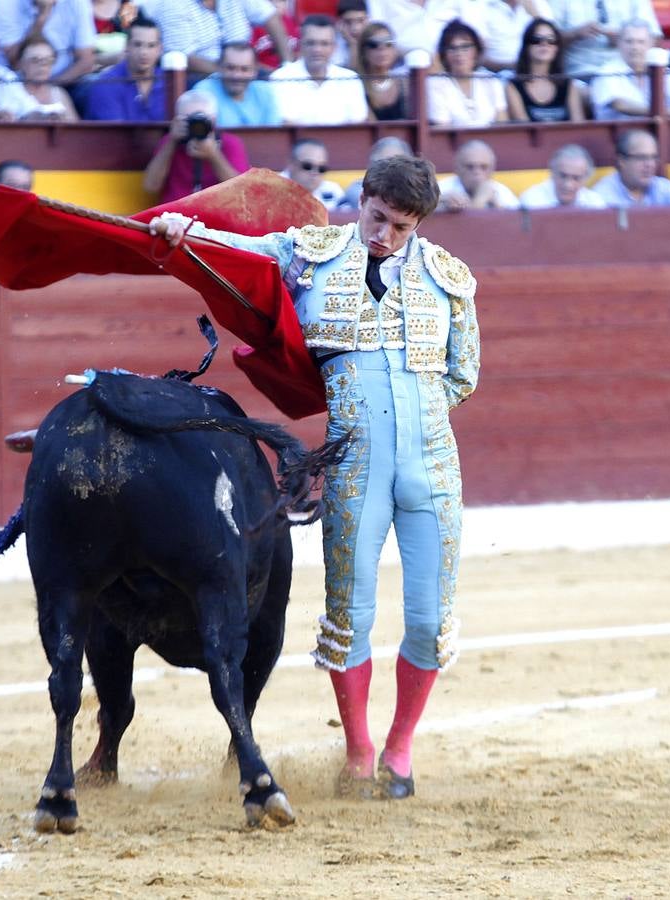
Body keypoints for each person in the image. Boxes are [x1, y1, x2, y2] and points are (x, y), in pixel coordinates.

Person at [147, 154, 480, 802]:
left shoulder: (450, 278)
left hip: (434, 471)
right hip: (353, 468)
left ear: (419, 225)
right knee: (347, 614)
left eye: (401, 227)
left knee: (428, 620)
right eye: (379, 218)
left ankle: (400, 747)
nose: (385, 234)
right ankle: (359, 751)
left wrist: (416, 413)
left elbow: (463, 373)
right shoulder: (310, 256)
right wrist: (183, 231)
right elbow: (240, 251)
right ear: (363, 199)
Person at [142, 90, 248, 202]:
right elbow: (151, 187)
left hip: (216, 211)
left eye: (201, 119)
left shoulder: (229, 142)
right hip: (175, 213)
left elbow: (240, 190)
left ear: (214, 120)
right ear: (178, 120)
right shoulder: (170, 141)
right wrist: (171, 142)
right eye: (189, 120)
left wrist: (214, 155)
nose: (195, 125)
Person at [138, 0, 289, 76]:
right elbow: (186, 58)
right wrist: (236, 72)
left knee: (278, 82)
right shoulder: (172, 5)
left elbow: (271, 17)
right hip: (200, 77)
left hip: (243, 69)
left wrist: (287, 66)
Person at [590, 20, 670, 120]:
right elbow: (620, 105)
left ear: (651, 45)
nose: (635, 47)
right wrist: (668, 112)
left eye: (641, 42)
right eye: (629, 41)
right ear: (619, 43)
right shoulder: (606, 71)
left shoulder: (658, 68)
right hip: (620, 136)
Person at [271, 14, 367, 125]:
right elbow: (283, 124)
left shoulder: (351, 80)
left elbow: (357, 127)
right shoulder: (279, 78)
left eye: (324, 43)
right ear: (301, 45)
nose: (317, 49)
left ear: (334, 47)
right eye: (311, 43)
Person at [81, 16, 167, 121]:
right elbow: (115, 135)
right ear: (126, 46)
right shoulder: (106, 85)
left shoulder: (169, 83)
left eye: (151, 45)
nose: (144, 52)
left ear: (160, 49)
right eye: (137, 44)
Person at [0, 0, 95, 80]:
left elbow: (86, 61)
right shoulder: (2, 5)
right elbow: (15, 62)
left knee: (97, 86)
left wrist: (52, 87)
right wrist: (42, 16)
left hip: (66, 80)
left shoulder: (78, 3)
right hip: (18, 82)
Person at [426, 19, 506, 126]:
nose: (459, 53)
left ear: (476, 51)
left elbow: (502, 124)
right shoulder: (436, 83)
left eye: (465, 47)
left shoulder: (491, 80)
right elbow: (442, 128)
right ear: (444, 55)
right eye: (452, 48)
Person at [551, 0, 660, 78]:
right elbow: (544, 39)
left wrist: (624, 39)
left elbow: (655, 38)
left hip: (626, 72)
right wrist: (575, 34)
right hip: (580, 72)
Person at [505, 17, 583, 122]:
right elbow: (523, 128)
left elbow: (578, 125)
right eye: (536, 40)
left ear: (557, 48)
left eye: (551, 40)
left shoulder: (569, 84)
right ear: (526, 46)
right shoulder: (513, 85)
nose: (544, 44)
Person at [195, 41, 280, 127]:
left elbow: (273, 135)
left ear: (255, 71)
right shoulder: (204, 92)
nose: (237, 75)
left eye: (244, 69)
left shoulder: (265, 92)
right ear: (219, 67)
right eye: (230, 68)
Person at [365, 0, 478, 60]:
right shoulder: (380, 2)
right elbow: (375, 38)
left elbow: (477, 38)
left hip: (453, 68)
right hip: (401, 71)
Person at [437, 139, 519, 210]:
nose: (477, 172)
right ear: (457, 168)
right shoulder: (441, 190)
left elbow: (517, 224)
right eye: (470, 167)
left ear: (492, 169)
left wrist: (497, 206)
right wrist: (480, 201)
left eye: (484, 167)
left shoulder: (502, 192)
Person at [519, 144, 607, 208]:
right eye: (563, 176)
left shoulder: (595, 202)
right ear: (552, 172)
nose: (568, 185)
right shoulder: (531, 200)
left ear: (586, 179)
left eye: (576, 178)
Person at [336, 134, 411, 210]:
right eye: (384, 166)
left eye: (396, 166)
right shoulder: (357, 190)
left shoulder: (416, 193)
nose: (390, 172)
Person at [476, 0, 554, 70]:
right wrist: (515, 65)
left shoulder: (539, 4)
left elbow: (552, 41)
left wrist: (535, 15)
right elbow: (480, 56)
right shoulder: (482, 6)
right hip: (495, 74)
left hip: (533, 72)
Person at [16, 35, 79, 120]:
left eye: (48, 60)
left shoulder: (59, 94)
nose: (43, 66)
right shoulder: (14, 92)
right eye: (35, 60)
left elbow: (74, 129)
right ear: (21, 64)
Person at [354, 21, 406, 121]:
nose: (382, 49)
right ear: (363, 51)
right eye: (373, 44)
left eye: (388, 43)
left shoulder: (405, 83)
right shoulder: (355, 85)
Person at [282, 138, 344, 210]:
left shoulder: (333, 190)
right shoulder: (272, 190)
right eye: (307, 166)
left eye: (321, 169)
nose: (315, 173)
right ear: (291, 164)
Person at [251, 0, 298, 71]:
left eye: (280, 1)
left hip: (290, 73)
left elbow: (300, 54)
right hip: (263, 74)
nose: (276, 4)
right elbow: (250, 59)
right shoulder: (257, 25)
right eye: (271, 1)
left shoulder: (293, 23)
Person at [333, 0, 366, 68]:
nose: (355, 28)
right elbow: (351, 76)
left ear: (368, 19)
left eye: (360, 20)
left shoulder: (375, 37)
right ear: (339, 23)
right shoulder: (333, 44)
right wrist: (353, 45)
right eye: (348, 22)